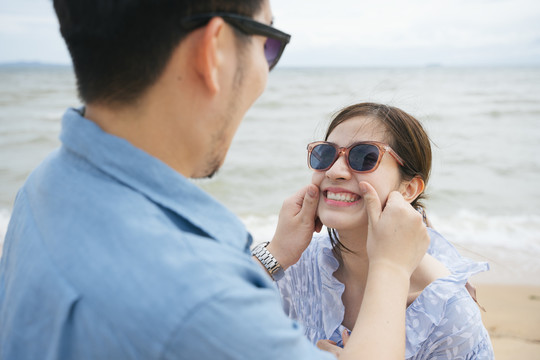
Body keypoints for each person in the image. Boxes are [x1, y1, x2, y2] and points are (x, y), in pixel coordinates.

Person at [0, 1, 429, 359]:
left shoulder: (43, 188)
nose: (265, 71)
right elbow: (199, 309)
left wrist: (277, 253)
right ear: (214, 48)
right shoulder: (202, 302)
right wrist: (391, 267)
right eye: (268, 44)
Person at [274, 102, 495, 359]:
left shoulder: (446, 312)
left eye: (365, 157)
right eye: (325, 154)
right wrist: (275, 252)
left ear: (409, 189)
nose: (334, 171)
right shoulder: (297, 267)